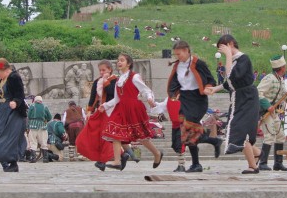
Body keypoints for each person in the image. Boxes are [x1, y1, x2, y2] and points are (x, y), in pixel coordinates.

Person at [207, 35, 261, 174]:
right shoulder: (235, 61)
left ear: (230, 44)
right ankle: (257, 154)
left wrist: (228, 57)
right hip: (239, 98)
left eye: (224, 47)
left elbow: (231, 76)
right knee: (237, 130)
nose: (223, 51)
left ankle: (253, 166)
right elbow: (229, 82)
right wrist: (216, 88)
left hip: (247, 98)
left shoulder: (243, 59)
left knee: (239, 130)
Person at [99, 53, 163, 170]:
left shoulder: (134, 76)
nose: (119, 62)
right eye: (118, 60)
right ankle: (117, 161)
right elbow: (117, 98)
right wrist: (105, 105)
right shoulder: (118, 80)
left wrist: (149, 98)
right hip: (121, 109)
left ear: (128, 64)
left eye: (122, 60)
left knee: (141, 136)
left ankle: (157, 153)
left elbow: (145, 90)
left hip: (134, 108)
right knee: (115, 133)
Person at [167, 41, 222, 173]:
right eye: (176, 54)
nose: (177, 56)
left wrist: (208, 88)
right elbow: (174, 83)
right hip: (185, 98)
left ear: (186, 50)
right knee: (186, 132)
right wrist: (174, 94)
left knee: (189, 128)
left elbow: (210, 80)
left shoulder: (199, 64)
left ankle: (211, 143)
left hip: (198, 99)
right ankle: (197, 162)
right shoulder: (177, 66)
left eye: (179, 54)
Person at [256, 55, 287, 171]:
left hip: (274, 112)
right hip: (266, 112)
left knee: (280, 135)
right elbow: (258, 92)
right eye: (285, 66)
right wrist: (267, 106)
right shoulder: (269, 79)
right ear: (282, 67)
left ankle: (278, 163)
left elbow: (284, 95)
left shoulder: (280, 80)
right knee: (269, 135)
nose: (286, 68)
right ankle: (262, 163)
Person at [0, 58, 28, 173]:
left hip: (13, 112)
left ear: (4, 69)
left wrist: (15, 102)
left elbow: (20, 94)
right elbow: (1, 97)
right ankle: (5, 161)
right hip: (2, 110)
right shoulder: (2, 80)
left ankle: (12, 163)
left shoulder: (14, 77)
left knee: (10, 136)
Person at [83, 60, 118, 170]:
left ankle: (103, 160)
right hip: (100, 110)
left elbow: (112, 92)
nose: (102, 72)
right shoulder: (97, 82)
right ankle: (123, 154)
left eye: (104, 70)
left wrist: (106, 81)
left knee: (107, 135)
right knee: (99, 134)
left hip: (112, 110)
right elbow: (93, 98)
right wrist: (89, 111)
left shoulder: (114, 80)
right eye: (100, 70)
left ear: (110, 70)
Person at [27, 95, 52, 163]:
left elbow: (28, 116)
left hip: (33, 126)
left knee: (33, 142)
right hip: (42, 126)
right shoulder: (45, 107)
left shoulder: (32, 106)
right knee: (43, 142)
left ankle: (33, 158)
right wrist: (45, 119)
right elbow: (50, 117)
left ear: (35, 100)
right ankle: (45, 158)